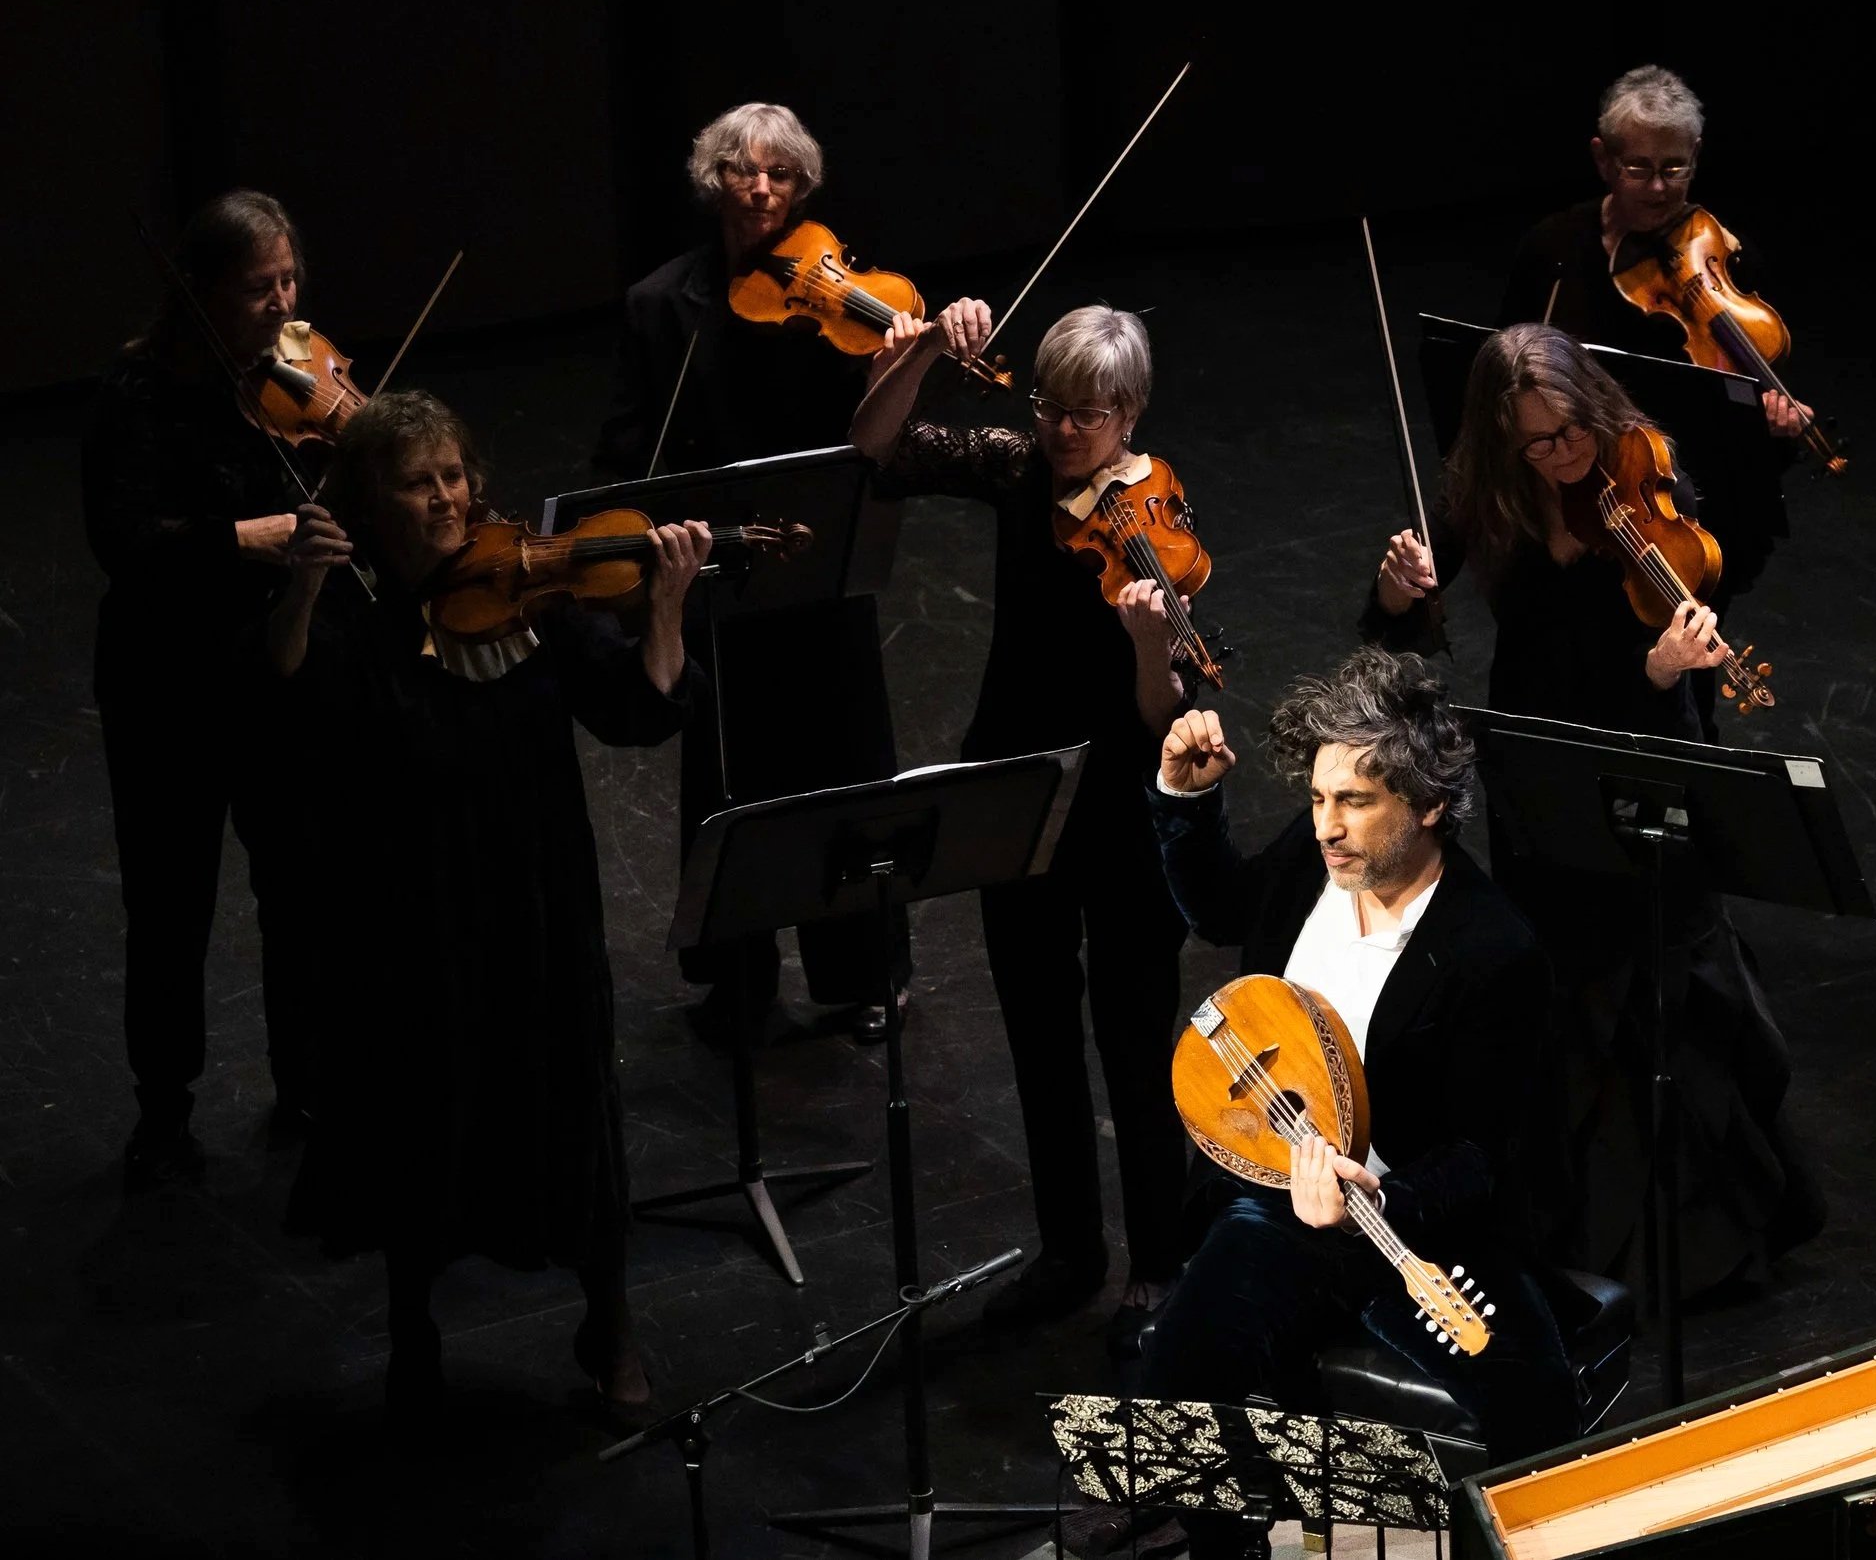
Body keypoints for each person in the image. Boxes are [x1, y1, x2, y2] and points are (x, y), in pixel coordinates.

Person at [269, 391, 708, 1415]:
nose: (446, 499)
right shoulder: (361, 625)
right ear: (375, 506)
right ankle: (412, 1327)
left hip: (539, 903)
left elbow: (641, 713)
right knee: (422, 1111)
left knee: (571, 1105)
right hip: (411, 912)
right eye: (418, 484)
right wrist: (299, 584)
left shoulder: (535, 607)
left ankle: (609, 1324)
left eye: (455, 476)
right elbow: (289, 702)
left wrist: (670, 602)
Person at [1367, 322, 1824, 1298]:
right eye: (1538, 442)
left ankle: (1699, 1245)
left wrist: (1662, 669)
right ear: (1504, 444)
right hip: (1539, 758)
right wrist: (1398, 589)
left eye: (1571, 429)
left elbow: (1682, 660)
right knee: (1562, 986)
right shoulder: (1489, 494)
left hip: (1645, 741)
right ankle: (1583, 1231)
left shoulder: (1650, 473)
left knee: (1662, 983)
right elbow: (1398, 624)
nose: (1565, 455)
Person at [1140, 650, 1577, 1551]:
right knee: (1174, 1384)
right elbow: (1224, 911)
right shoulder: (1314, 864)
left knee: (1535, 1412)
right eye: (1317, 799)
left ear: (1427, 806)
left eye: (1356, 801)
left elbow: (1482, 1152)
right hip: (1277, 1203)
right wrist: (1184, 805)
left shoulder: (1492, 950)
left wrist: (1375, 1199)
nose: (1327, 827)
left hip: (1411, 1220)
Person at [848, 296, 1198, 1347]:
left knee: (1135, 1040)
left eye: (1086, 416)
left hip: (1128, 794)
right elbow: (879, 448)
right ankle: (1069, 1251)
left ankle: (1162, 1264)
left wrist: (1148, 644)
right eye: (1049, 407)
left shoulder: (1160, 515)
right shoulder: (1013, 465)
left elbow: (1167, 708)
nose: (1062, 432)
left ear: (1128, 412)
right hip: (1016, 779)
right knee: (1037, 1027)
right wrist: (911, 351)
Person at [594, 100, 906, 1044]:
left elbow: (879, 432)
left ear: (803, 187)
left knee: (846, 769)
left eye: (780, 175)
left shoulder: (839, 301)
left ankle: (863, 978)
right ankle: (737, 977)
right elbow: (625, 438)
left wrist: (904, 356)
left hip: (818, 552)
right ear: (714, 181)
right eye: (743, 171)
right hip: (719, 564)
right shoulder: (660, 303)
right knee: (729, 775)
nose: (762, 189)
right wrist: (645, 521)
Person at [83, 188, 323, 1184]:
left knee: (300, 886)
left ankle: (308, 1081)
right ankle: (164, 1103)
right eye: (259, 286)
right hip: (165, 681)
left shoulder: (287, 376)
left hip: (272, 664)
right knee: (170, 901)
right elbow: (126, 544)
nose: (283, 302)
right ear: (204, 291)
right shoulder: (137, 394)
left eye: (289, 280)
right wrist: (252, 538)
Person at [1500, 64, 1812, 604]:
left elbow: (1752, 397)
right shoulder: (1552, 249)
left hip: (1694, 506)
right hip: (1576, 494)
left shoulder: (1727, 260)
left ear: (1696, 155)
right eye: (1639, 169)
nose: (1660, 188)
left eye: (1675, 168)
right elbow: (1505, 373)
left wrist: (1776, 422)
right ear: (1603, 159)